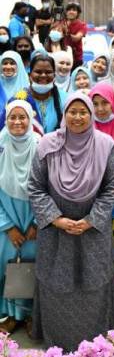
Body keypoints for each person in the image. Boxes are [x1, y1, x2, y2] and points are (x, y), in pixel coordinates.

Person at [28, 92, 114, 352]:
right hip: (56, 233)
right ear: (64, 114)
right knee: (56, 284)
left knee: (94, 283)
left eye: (83, 112)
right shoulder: (47, 145)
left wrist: (92, 220)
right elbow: (35, 187)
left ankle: (96, 345)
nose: (78, 117)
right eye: (73, 111)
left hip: (93, 232)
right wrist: (56, 219)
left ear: (92, 115)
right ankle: (58, 345)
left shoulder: (105, 145)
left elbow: (111, 187)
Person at [0, 100, 39, 336]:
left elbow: (50, 186)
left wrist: (37, 221)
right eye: (12, 117)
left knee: (32, 267)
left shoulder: (41, 146)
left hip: (35, 219)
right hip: (6, 220)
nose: (17, 122)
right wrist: (7, 226)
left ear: (30, 119)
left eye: (22, 117)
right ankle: (12, 317)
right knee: (8, 269)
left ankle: (32, 315)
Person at [27, 55, 68, 133]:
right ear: (29, 75)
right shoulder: (20, 98)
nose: (43, 75)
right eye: (38, 72)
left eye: (48, 72)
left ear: (54, 76)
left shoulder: (65, 99)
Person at [89, 82, 114, 151]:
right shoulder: (85, 130)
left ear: (113, 102)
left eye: (105, 102)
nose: (100, 109)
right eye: (95, 104)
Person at [62, 2, 87, 69]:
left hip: (76, 58)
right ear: (66, 12)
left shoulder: (82, 25)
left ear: (78, 13)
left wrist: (67, 32)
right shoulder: (61, 23)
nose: (71, 12)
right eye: (69, 10)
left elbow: (76, 38)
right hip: (63, 56)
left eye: (74, 10)